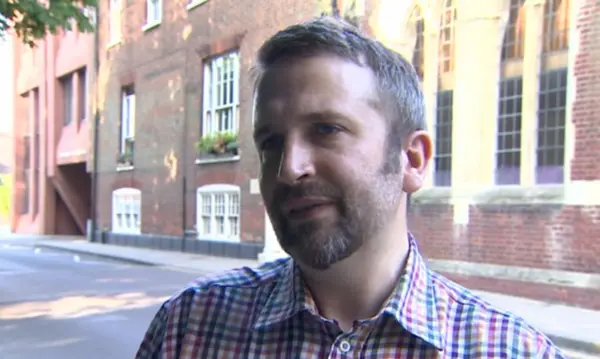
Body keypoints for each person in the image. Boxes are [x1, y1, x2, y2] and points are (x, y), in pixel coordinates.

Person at [135, 16, 566, 358]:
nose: (289, 169)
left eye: (326, 129)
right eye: (270, 143)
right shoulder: (190, 328)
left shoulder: (510, 350)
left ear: (412, 160)